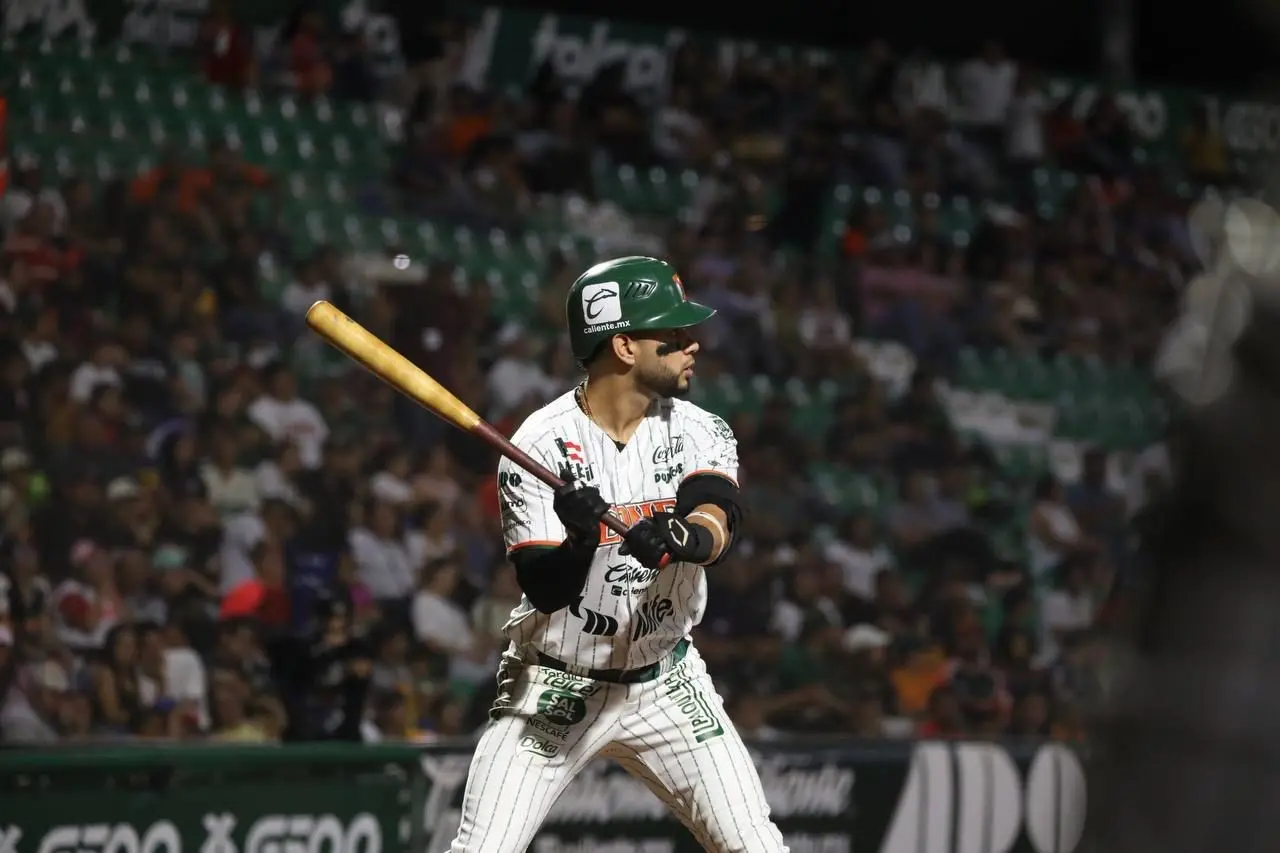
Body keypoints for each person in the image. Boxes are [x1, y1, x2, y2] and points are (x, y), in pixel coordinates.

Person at [448, 257, 786, 851]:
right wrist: (579, 541)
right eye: (673, 335)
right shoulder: (538, 444)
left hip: (664, 683)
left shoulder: (700, 429)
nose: (693, 344)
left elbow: (717, 515)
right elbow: (546, 588)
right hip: (556, 686)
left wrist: (680, 537)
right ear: (624, 346)